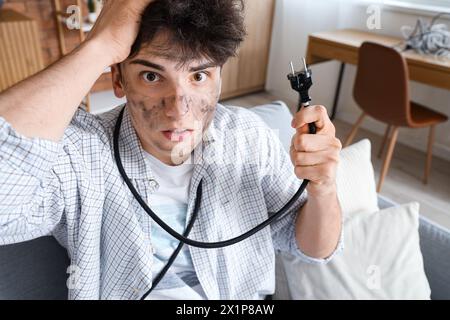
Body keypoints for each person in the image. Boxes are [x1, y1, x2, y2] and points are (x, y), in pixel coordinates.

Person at [0, 0, 342, 300]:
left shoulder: (250, 138)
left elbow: (313, 249)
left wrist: (324, 189)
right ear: (118, 80)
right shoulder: (83, 151)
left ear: (219, 78)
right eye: (152, 77)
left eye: (198, 77)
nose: (179, 110)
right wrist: (99, 46)